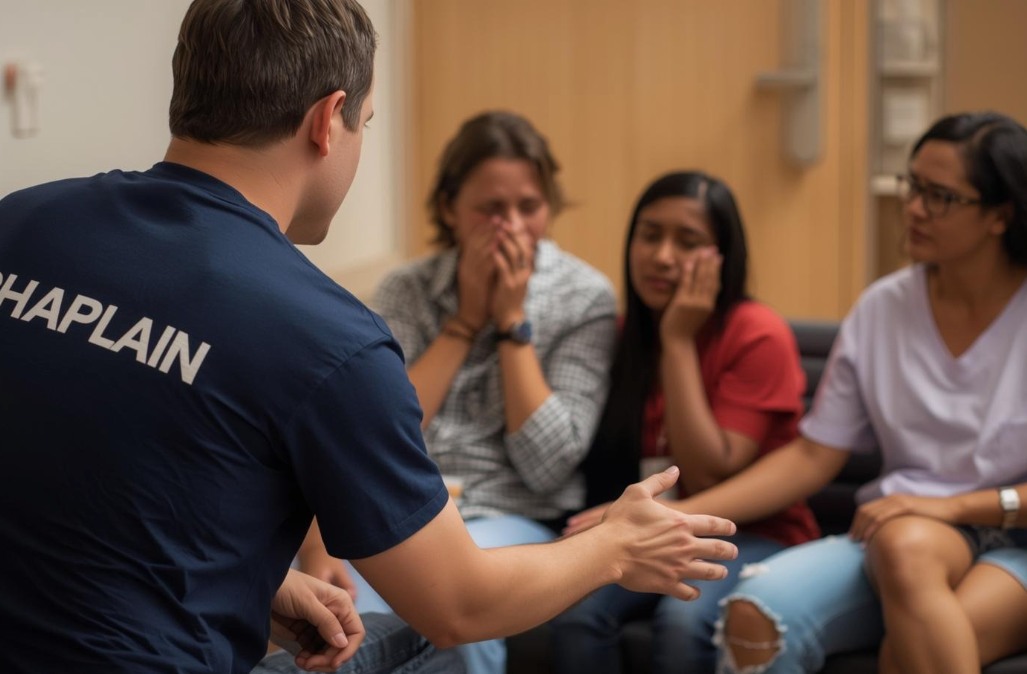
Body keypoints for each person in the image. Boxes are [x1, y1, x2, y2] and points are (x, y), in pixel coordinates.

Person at [0, 1, 740, 673]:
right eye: (368, 123)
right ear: (330, 121)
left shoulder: (22, 222)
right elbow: (458, 606)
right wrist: (615, 546)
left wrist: (261, 587)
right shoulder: (323, 334)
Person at [668, 111, 1027, 673]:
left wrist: (952, 505)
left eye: (940, 197)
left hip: (1013, 538)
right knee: (754, 615)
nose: (911, 207)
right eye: (912, 185)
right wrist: (680, 516)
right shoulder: (883, 307)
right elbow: (813, 455)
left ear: (1000, 216)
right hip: (905, 531)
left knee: (909, 635)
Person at [335, 109, 619, 673]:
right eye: (491, 209)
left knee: (464, 610)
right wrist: (464, 323)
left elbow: (548, 465)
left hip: (511, 515)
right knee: (348, 627)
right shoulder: (406, 289)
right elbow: (377, 436)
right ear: (450, 210)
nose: (511, 226)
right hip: (406, 512)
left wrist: (513, 324)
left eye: (529, 208)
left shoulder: (585, 298)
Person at [550, 171, 820, 674]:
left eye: (688, 241)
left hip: (752, 530)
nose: (663, 256)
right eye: (650, 235)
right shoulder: (624, 333)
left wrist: (678, 342)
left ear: (724, 256)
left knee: (683, 620)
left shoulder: (756, 333)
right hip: (658, 528)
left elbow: (711, 473)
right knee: (575, 612)